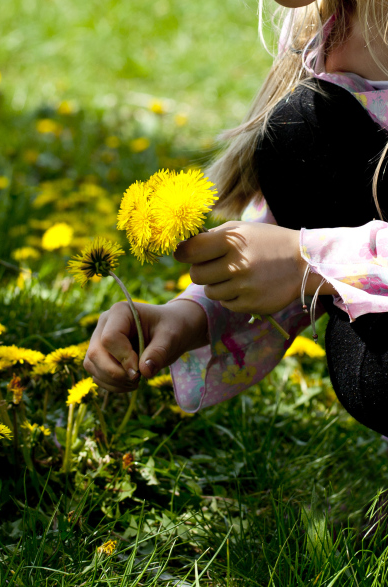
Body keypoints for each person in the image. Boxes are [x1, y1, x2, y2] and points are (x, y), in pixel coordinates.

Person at [84, 0, 388, 436]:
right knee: (299, 129)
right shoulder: (324, 34)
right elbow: (300, 228)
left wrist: (308, 261)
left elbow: (305, 250)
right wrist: (193, 315)